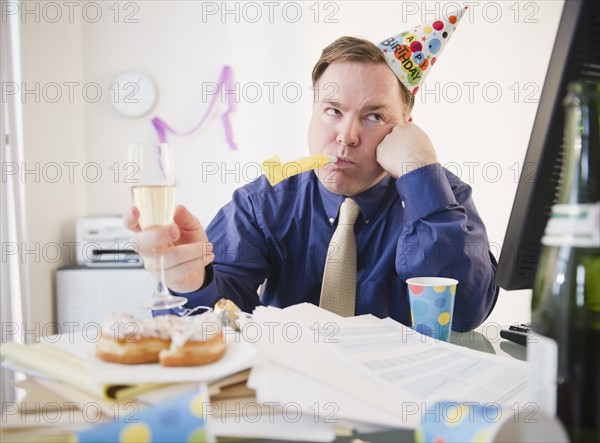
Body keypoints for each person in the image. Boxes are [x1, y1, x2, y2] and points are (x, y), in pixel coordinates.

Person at [126, 35, 499, 332]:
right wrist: (192, 280)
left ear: (405, 127)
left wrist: (420, 171)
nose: (346, 136)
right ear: (313, 112)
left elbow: (464, 312)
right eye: (333, 110)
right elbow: (218, 320)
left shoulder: (441, 196)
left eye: (373, 116)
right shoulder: (264, 203)